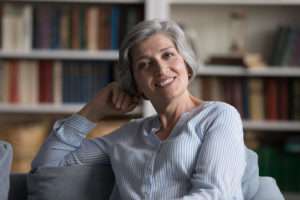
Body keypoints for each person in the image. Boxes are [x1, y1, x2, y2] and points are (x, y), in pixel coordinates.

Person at [32, 19, 257, 199]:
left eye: (168, 55)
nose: (160, 69)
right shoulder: (127, 136)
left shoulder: (218, 116)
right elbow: (48, 167)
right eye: (145, 64)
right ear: (135, 84)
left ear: (186, 64)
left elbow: (215, 194)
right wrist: (94, 109)